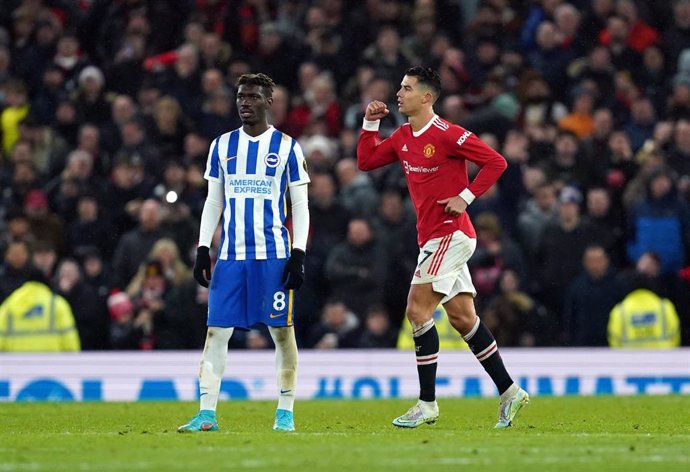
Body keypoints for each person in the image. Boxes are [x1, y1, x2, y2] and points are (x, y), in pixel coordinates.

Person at [357, 66, 529, 429]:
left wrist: (466, 196)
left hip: (450, 234)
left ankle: (427, 404)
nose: (398, 94)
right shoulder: (403, 136)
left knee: (417, 311)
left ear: (426, 97)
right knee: (463, 319)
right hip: (433, 236)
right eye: (399, 87)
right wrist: (370, 124)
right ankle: (510, 391)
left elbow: (496, 162)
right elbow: (367, 161)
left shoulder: (448, 134)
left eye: (406, 88)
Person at [178, 73, 310, 433]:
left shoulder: (287, 147)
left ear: (269, 101)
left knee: (282, 334)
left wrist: (298, 253)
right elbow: (214, 200)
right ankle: (206, 414)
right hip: (232, 256)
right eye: (240, 97)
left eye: (252, 97)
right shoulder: (221, 146)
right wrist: (204, 247)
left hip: (273, 255)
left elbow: (300, 204)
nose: (244, 103)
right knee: (216, 332)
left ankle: (285, 413)